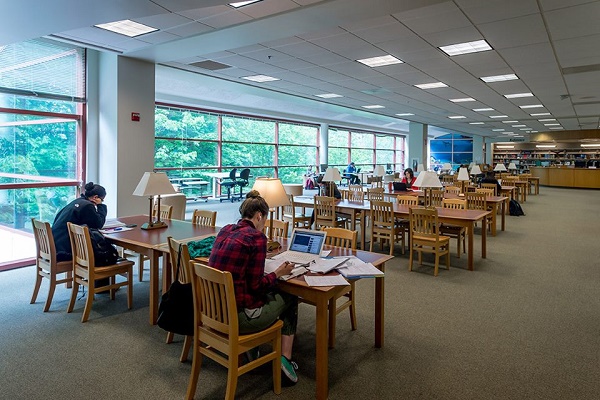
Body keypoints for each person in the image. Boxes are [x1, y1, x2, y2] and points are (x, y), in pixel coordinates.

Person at [208, 190, 300, 384]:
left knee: (272, 290)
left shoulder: (225, 230)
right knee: (290, 297)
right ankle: (285, 359)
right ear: (259, 216)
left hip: (215, 312)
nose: (264, 225)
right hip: (238, 317)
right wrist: (278, 274)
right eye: (264, 220)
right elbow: (257, 287)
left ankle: (253, 349)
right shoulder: (256, 239)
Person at [52, 182, 108, 262]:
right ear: (95, 197)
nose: (101, 201)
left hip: (56, 246)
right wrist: (101, 206)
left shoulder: (78, 201)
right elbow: (98, 224)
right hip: (64, 251)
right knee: (103, 253)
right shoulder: (87, 206)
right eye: (102, 200)